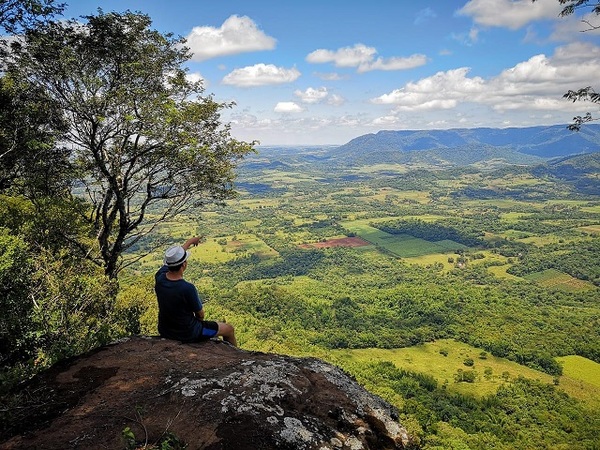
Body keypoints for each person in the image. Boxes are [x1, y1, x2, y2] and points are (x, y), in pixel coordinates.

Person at [154, 236, 237, 346]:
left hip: (165, 330)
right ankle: (236, 357)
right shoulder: (187, 288)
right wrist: (199, 324)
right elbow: (200, 314)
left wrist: (189, 242)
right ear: (184, 264)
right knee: (228, 329)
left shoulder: (159, 278)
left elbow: (173, 259)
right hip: (190, 333)